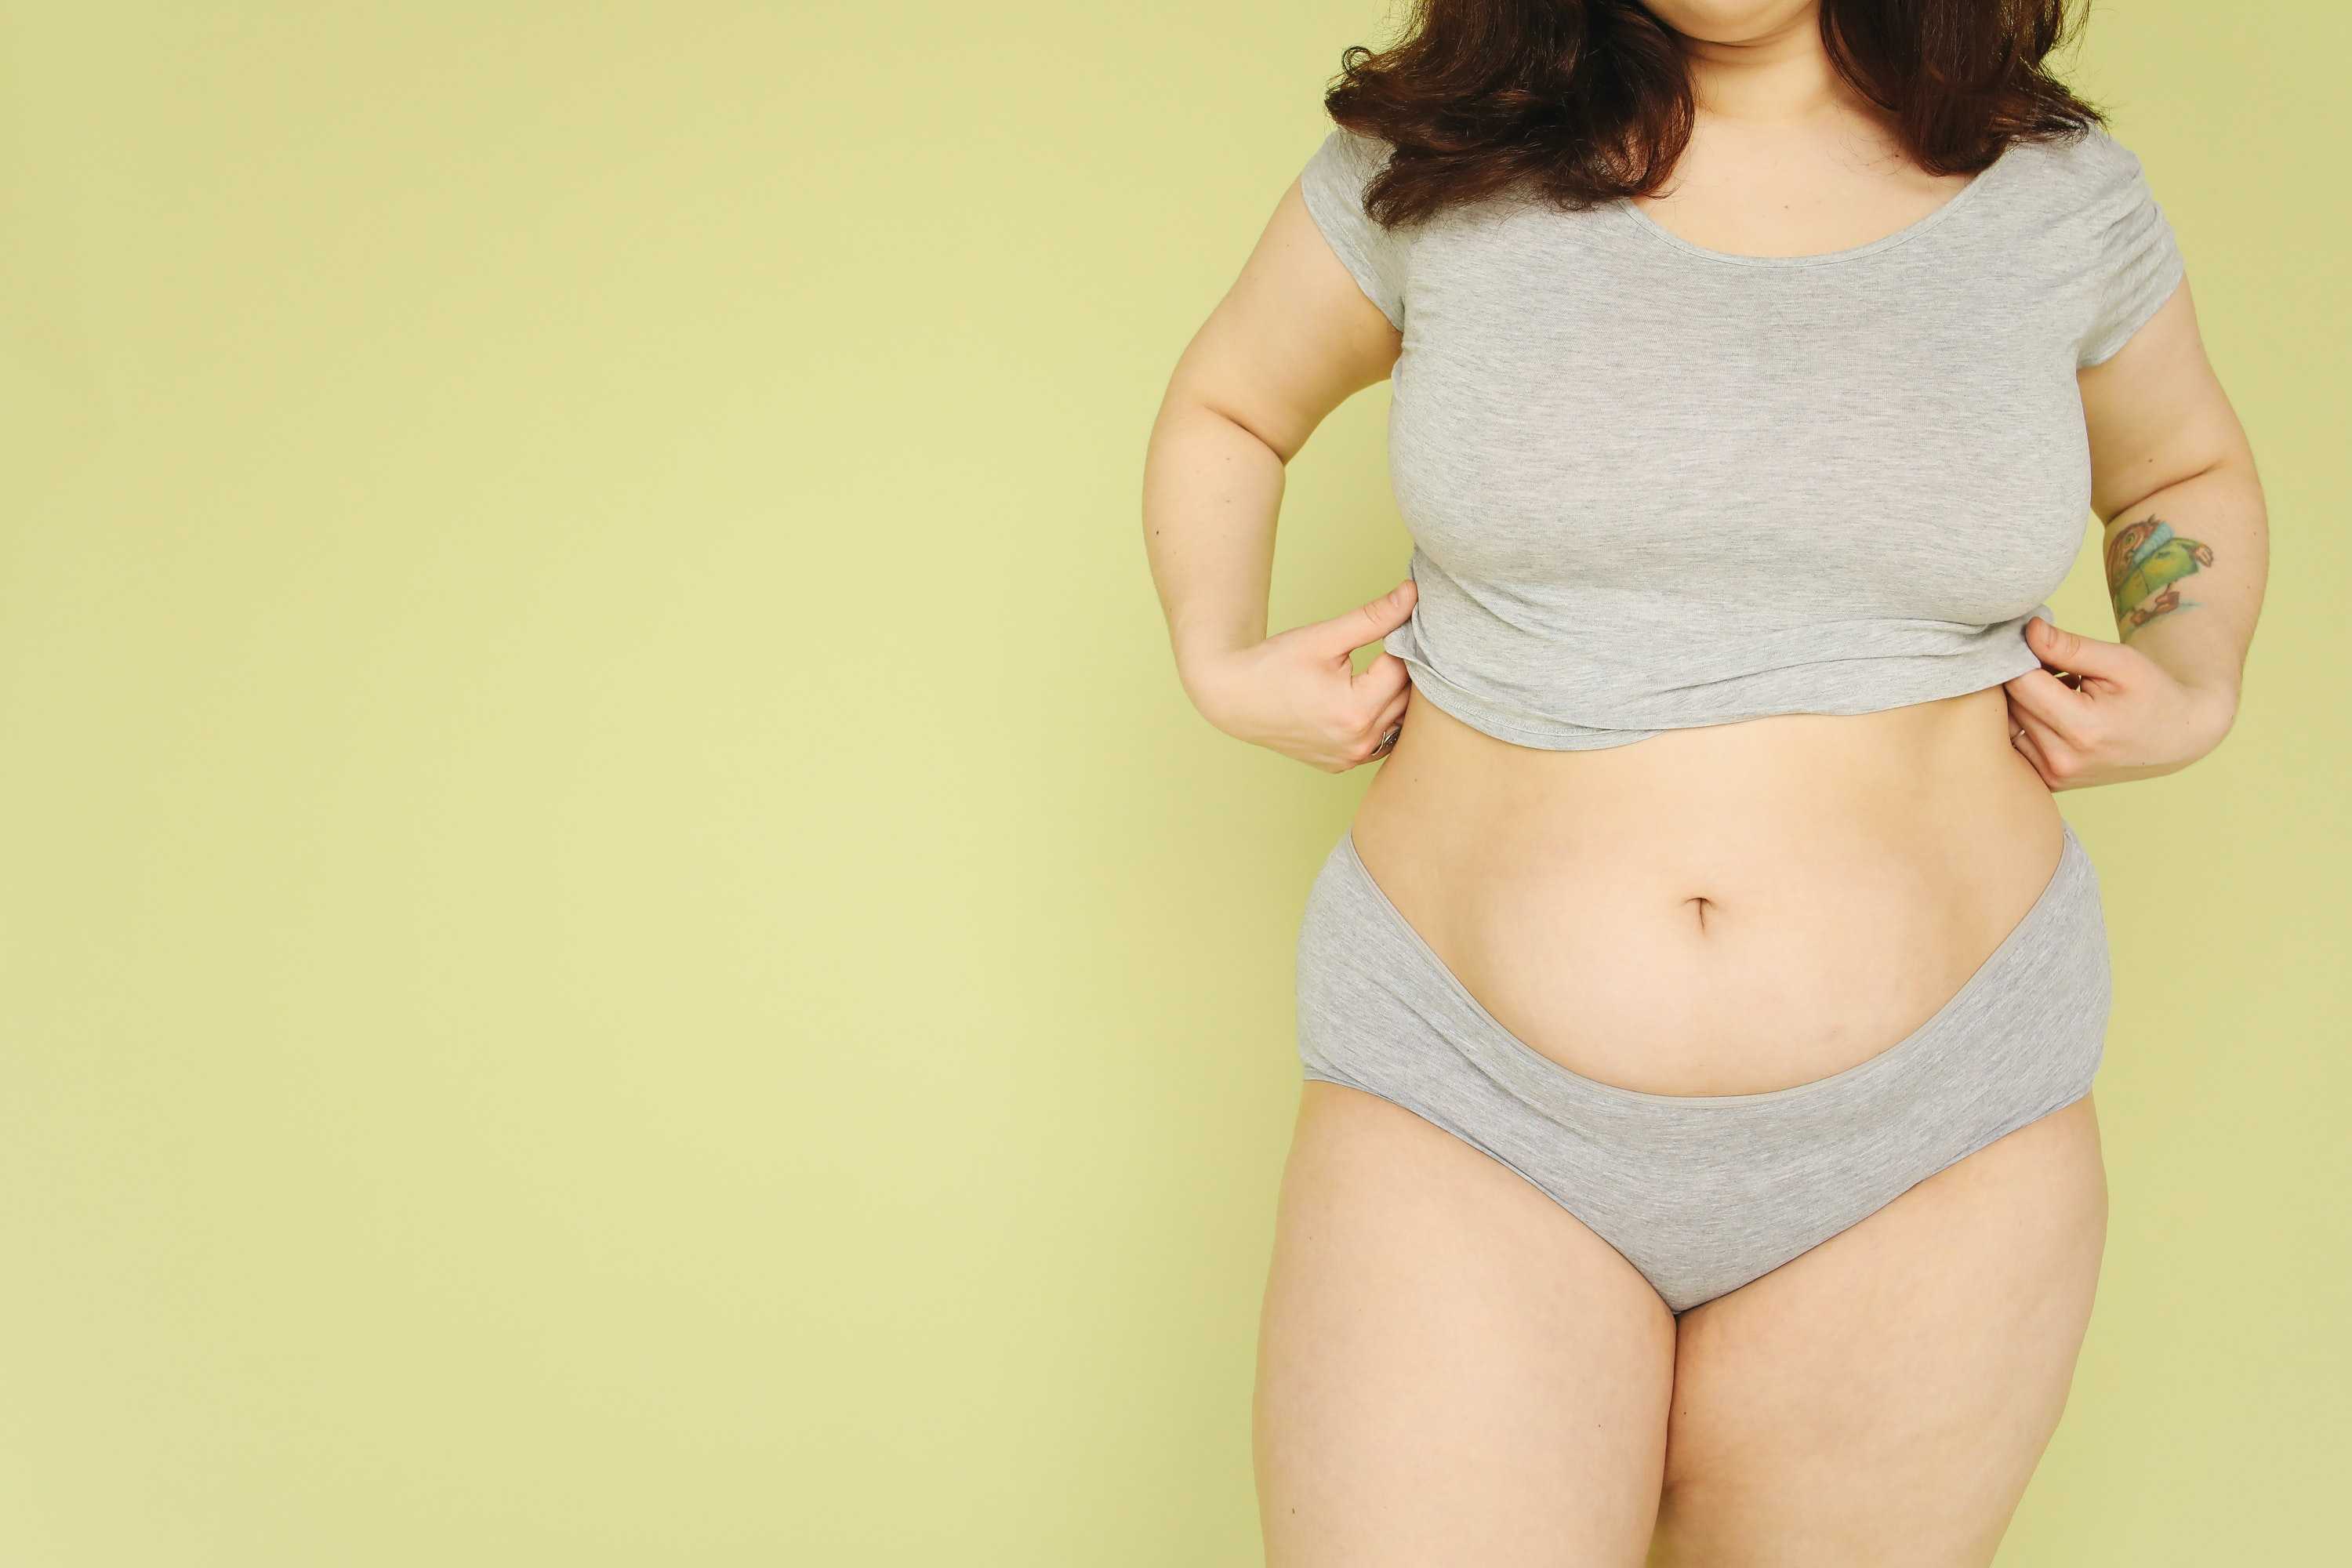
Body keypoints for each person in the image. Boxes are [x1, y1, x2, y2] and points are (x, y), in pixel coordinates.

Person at [1140, 1, 2268, 1562]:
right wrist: (1218, 647)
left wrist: (2194, 662)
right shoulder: (1439, 164)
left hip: (1938, 1138)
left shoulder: (2050, 193)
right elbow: (1232, 407)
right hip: (1468, 1105)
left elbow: (2178, 470)